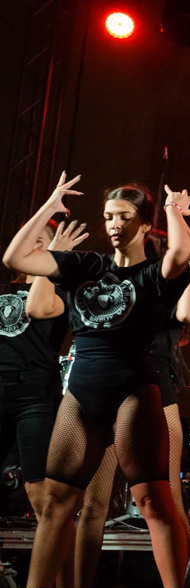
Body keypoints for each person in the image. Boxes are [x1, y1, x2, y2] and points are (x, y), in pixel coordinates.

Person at [0, 174, 190, 588]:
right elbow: (15, 259)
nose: (113, 224)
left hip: (134, 391)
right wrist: (50, 206)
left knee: (154, 503)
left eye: (124, 217)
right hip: (83, 392)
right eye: (108, 216)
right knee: (56, 502)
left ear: (144, 223)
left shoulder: (153, 274)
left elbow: (179, 251)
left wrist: (172, 210)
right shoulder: (83, 265)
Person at [50, 236, 190, 588]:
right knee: (93, 503)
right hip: (106, 391)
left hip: (153, 392)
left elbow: (189, 312)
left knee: (167, 502)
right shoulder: (116, 288)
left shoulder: (161, 283)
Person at [2, 220, 75, 540]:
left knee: (39, 490)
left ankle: (51, 568)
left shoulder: (61, 294)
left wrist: (53, 261)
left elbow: (40, 308)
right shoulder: (4, 290)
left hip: (34, 394)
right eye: (30, 239)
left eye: (42, 241)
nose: (33, 246)